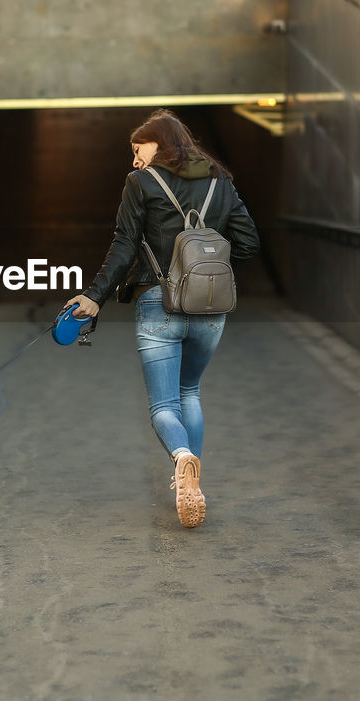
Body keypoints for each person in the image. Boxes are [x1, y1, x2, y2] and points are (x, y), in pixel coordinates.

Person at [67, 110, 260, 529]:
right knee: (190, 390)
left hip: (158, 302)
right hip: (210, 309)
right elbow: (247, 242)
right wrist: (209, 264)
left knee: (163, 405)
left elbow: (123, 245)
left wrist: (96, 296)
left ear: (160, 143)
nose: (135, 160)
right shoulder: (221, 182)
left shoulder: (140, 184)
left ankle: (182, 458)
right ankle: (194, 482)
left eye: (138, 150)